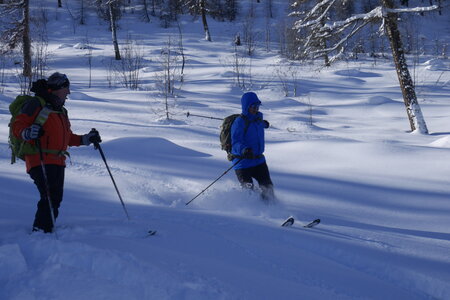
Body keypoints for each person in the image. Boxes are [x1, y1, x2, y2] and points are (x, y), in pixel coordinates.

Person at [12, 72, 102, 233]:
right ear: (58, 88)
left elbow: (67, 138)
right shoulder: (36, 104)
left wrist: (87, 139)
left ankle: (44, 230)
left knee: (54, 197)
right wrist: (27, 133)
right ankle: (41, 231)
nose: (68, 92)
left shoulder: (61, 111)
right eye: (66, 88)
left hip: (57, 160)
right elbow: (17, 125)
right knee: (50, 196)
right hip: (39, 157)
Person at [230, 92, 274, 201]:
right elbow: (235, 143)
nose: (255, 109)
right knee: (248, 190)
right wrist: (244, 149)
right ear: (246, 106)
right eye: (253, 106)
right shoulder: (239, 122)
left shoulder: (258, 120)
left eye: (257, 106)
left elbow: (257, 125)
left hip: (258, 160)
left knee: (267, 187)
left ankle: (272, 209)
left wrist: (265, 124)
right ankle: (250, 213)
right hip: (243, 162)